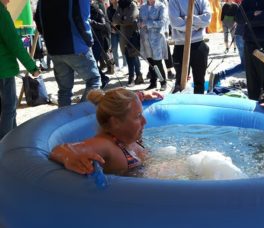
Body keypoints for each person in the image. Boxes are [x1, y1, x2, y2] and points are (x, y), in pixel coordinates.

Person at [49, 87, 163, 175]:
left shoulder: (126, 136)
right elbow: (61, 150)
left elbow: (124, 106)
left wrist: (141, 95)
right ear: (116, 122)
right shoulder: (106, 145)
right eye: (138, 115)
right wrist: (67, 155)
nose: (144, 121)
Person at [34, 0, 101, 107]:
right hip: (76, 46)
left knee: (64, 90)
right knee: (94, 80)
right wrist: (88, 41)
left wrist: (49, 39)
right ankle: (80, 114)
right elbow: (82, 18)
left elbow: (38, 20)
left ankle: (67, 117)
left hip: (54, 49)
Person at [0, 0, 40, 140]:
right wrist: (32, 67)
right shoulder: (1, 12)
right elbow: (15, 43)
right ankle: (5, 144)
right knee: (9, 109)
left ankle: (12, 138)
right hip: (3, 69)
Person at [168, 0, 211, 94]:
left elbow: (207, 19)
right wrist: (196, 25)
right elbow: (175, 23)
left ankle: (198, 105)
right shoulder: (174, 1)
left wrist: (187, 18)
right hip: (180, 45)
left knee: (199, 82)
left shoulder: (201, 1)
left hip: (198, 43)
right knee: (180, 82)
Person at [112, 0, 144, 87]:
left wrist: (121, 19)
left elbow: (131, 19)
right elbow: (114, 20)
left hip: (132, 35)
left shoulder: (132, 5)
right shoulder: (120, 6)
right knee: (130, 55)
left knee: (132, 56)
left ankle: (132, 77)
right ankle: (139, 75)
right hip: (123, 35)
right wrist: (123, 18)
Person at [139, 0, 168, 91]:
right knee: (150, 62)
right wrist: (139, 23)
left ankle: (163, 82)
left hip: (157, 39)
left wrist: (147, 23)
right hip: (145, 39)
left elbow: (163, 22)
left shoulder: (161, 6)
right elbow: (139, 19)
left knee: (158, 62)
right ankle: (153, 82)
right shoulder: (143, 7)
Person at [90, 0, 111, 89]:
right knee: (91, 63)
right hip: (89, 41)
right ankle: (103, 78)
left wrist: (92, 22)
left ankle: (103, 78)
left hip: (98, 40)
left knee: (93, 62)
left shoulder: (98, 10)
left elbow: (104, 25)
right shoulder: (82, 12)